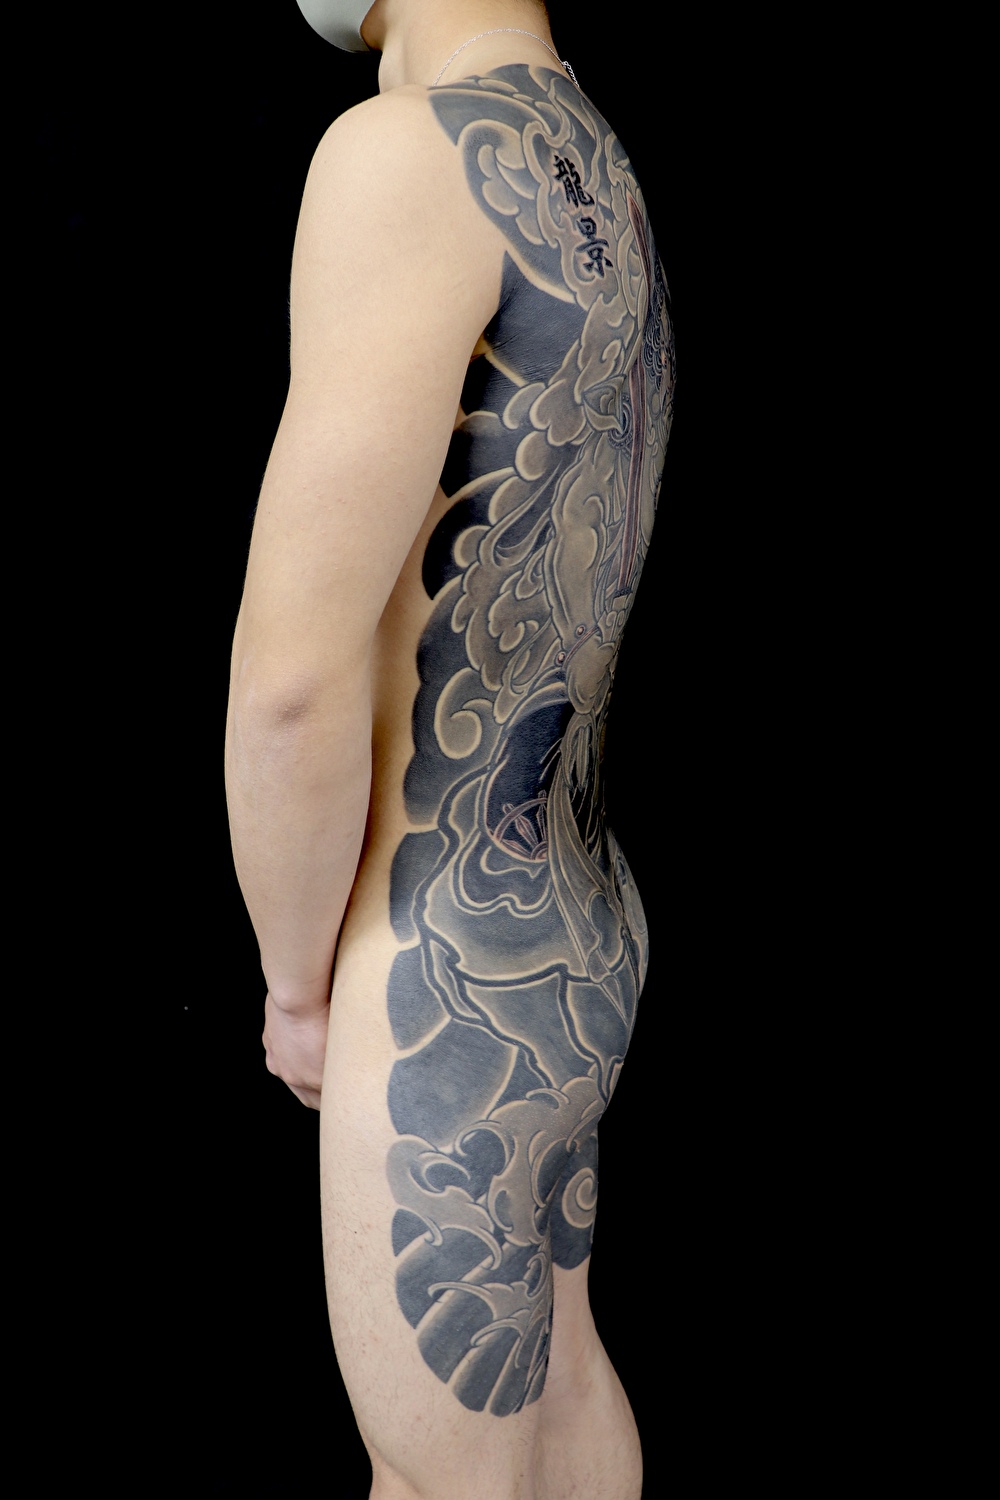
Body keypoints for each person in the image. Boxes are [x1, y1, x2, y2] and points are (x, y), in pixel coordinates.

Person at [225, 1, 674, 1494]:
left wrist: (299, 986)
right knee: (561, 1411)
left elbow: (292, 684)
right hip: (577, 909)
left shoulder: (406, 157)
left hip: (437, 958)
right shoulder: (593, 160)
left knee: (440, 1478)